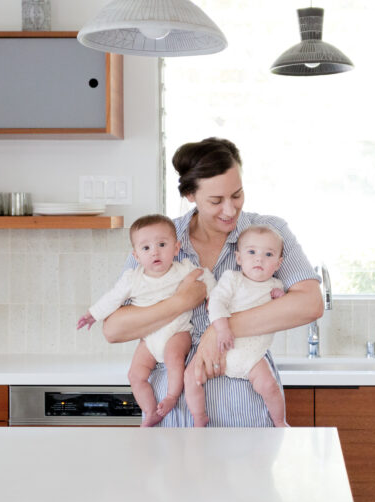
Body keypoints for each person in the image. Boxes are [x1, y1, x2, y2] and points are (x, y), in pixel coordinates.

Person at [100, 137, 323, 427]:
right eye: (216, 201)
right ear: (190, 195)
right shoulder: (160, 239)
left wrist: (217, 333)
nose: (230, 210)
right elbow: (114, 329)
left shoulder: (269, 234)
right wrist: (180, 302)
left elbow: (310, 303)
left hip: (248, 415)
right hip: (175, 419)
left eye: (237, 195)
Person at [77, 214, 215, 427]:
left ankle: (170, 397)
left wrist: (211, 297)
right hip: (149, 337)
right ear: (136, 255)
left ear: (176, 248)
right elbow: (113, 298)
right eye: (146, 248)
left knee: (173, 359)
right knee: (135, 374)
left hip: (178, 331)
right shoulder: (132, 278)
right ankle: (150, 411)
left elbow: (205, 275)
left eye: (162, 244)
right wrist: (93, 314)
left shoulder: (184, 269)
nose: (155, 252)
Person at [185, 224, 289, 427]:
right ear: (239, 258)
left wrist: (280, 299)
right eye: (252, 252)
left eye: (268, 254)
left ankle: (280, 421)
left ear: (278, 263)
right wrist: (222, 328)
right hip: (219, 347)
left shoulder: (276, 287)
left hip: (252, 355)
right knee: (191, 377)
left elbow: (282, 314)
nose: (259, 259)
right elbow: (215, 302)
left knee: (269, 386)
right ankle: (199, 417)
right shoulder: (232, 279)